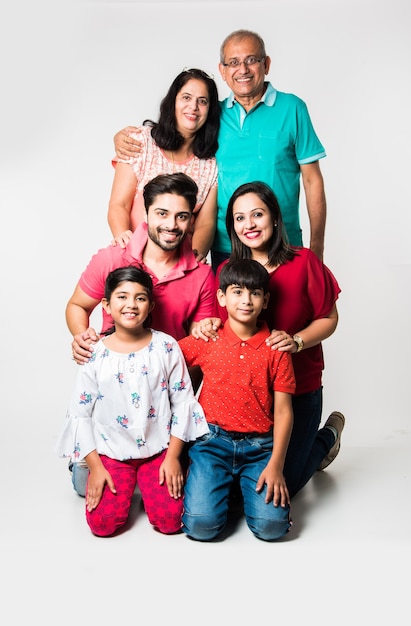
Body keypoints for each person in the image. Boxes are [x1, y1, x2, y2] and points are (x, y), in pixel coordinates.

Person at [113, 30, 327, 271]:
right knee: (231, 308)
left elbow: (312, 181)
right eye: (233, 62)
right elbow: (178, 131)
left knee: (289, 309)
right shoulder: (214, 116)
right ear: (223, 70)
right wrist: (123, 137)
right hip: (227, 246)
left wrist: (317, 248)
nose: (243, 69)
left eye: (252, 60)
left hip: (284, 241)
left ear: (266, 64)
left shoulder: (293, 108)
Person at [66, 172, 216, 495]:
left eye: (181, 216)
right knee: (83, 486)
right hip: (111, 398)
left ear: (191, 221)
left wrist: (171, 398)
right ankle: (89, 451)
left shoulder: (203, 275)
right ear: (145, 214)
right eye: (162, 214)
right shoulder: (111, 258)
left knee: (174, 489)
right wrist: (82, 336)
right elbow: (77, 306)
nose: (171, 225)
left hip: (164, 400)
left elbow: (199, 350)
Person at [192, 181, 344, 498]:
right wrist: (205, 325)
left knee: (287, 483)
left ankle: (326, 437)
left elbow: (329, 319)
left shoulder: (304, 262)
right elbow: (222, 330)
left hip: (298, 389)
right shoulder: (228, 271)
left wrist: (298, 341)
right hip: (248, 398)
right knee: (240, 487)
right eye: (239, 218)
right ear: (232, 227)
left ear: (274, 218)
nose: (249, 224)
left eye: (257, 214)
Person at [56, 266, 209, 537]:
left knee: (171, 521)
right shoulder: (95, 354)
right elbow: (80, 414)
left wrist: (173, 457)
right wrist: (96, 467)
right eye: (122, 297)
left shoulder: (166, 347)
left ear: (150, 305)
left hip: (158, 450)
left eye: (140, 298)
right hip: (111, 453)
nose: (131, 305)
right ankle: (82, 469)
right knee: (102, 526)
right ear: (106, 305)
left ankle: (148, 479)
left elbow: (183, 403)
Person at [178, 258, 296, 542]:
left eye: (255, 293)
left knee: (272, 528)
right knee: (201, 526)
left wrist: (276, 465)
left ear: (266, 300)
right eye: (237, 291)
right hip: (211, 443)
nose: (246, 300)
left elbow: (283, 412)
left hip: (259, 449)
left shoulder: (276, 347)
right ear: (222, 296)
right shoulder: (208, 338)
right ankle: (220, 491)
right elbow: (162, 358)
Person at [109, 68, 219, 262]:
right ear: (173, 101)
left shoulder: (210, 164)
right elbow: (119, 204)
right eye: (186, 97)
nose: (193, 107)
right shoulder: (140, 142)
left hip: (179, 263)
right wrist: (127, 250)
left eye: (202, 101)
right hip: (131, 255)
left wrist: (191, 262)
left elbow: (205, 223)